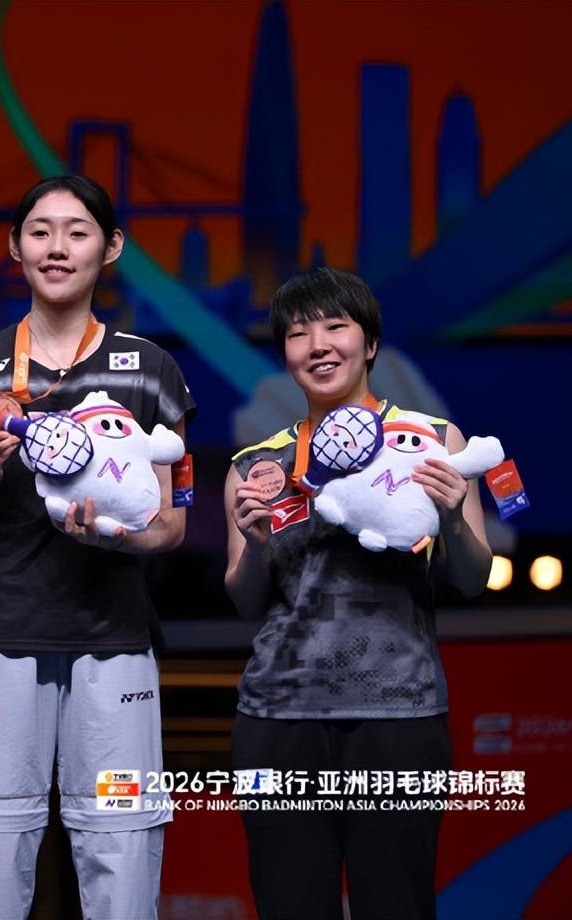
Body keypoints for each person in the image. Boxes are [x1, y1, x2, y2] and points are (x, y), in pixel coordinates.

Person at [0, 174, 194, 920]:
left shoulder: (153, 370)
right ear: (14, 247)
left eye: (77, 232)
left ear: (110, 248)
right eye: (40, 231)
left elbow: (172, 525)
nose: (57, 247)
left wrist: (117, 535)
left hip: (116, 643)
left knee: (122, 858)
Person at [224, 266, 492, 920]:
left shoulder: (432, 441)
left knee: (397, 904)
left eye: (335, 327)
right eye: (297, 333)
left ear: (369, 343)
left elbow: (473, 578)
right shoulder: (256, 465)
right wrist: (254, 545)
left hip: (398, 711)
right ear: (285, 354)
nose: (317, 345)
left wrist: (454, 519)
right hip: (277, 717)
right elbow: (244, 600)